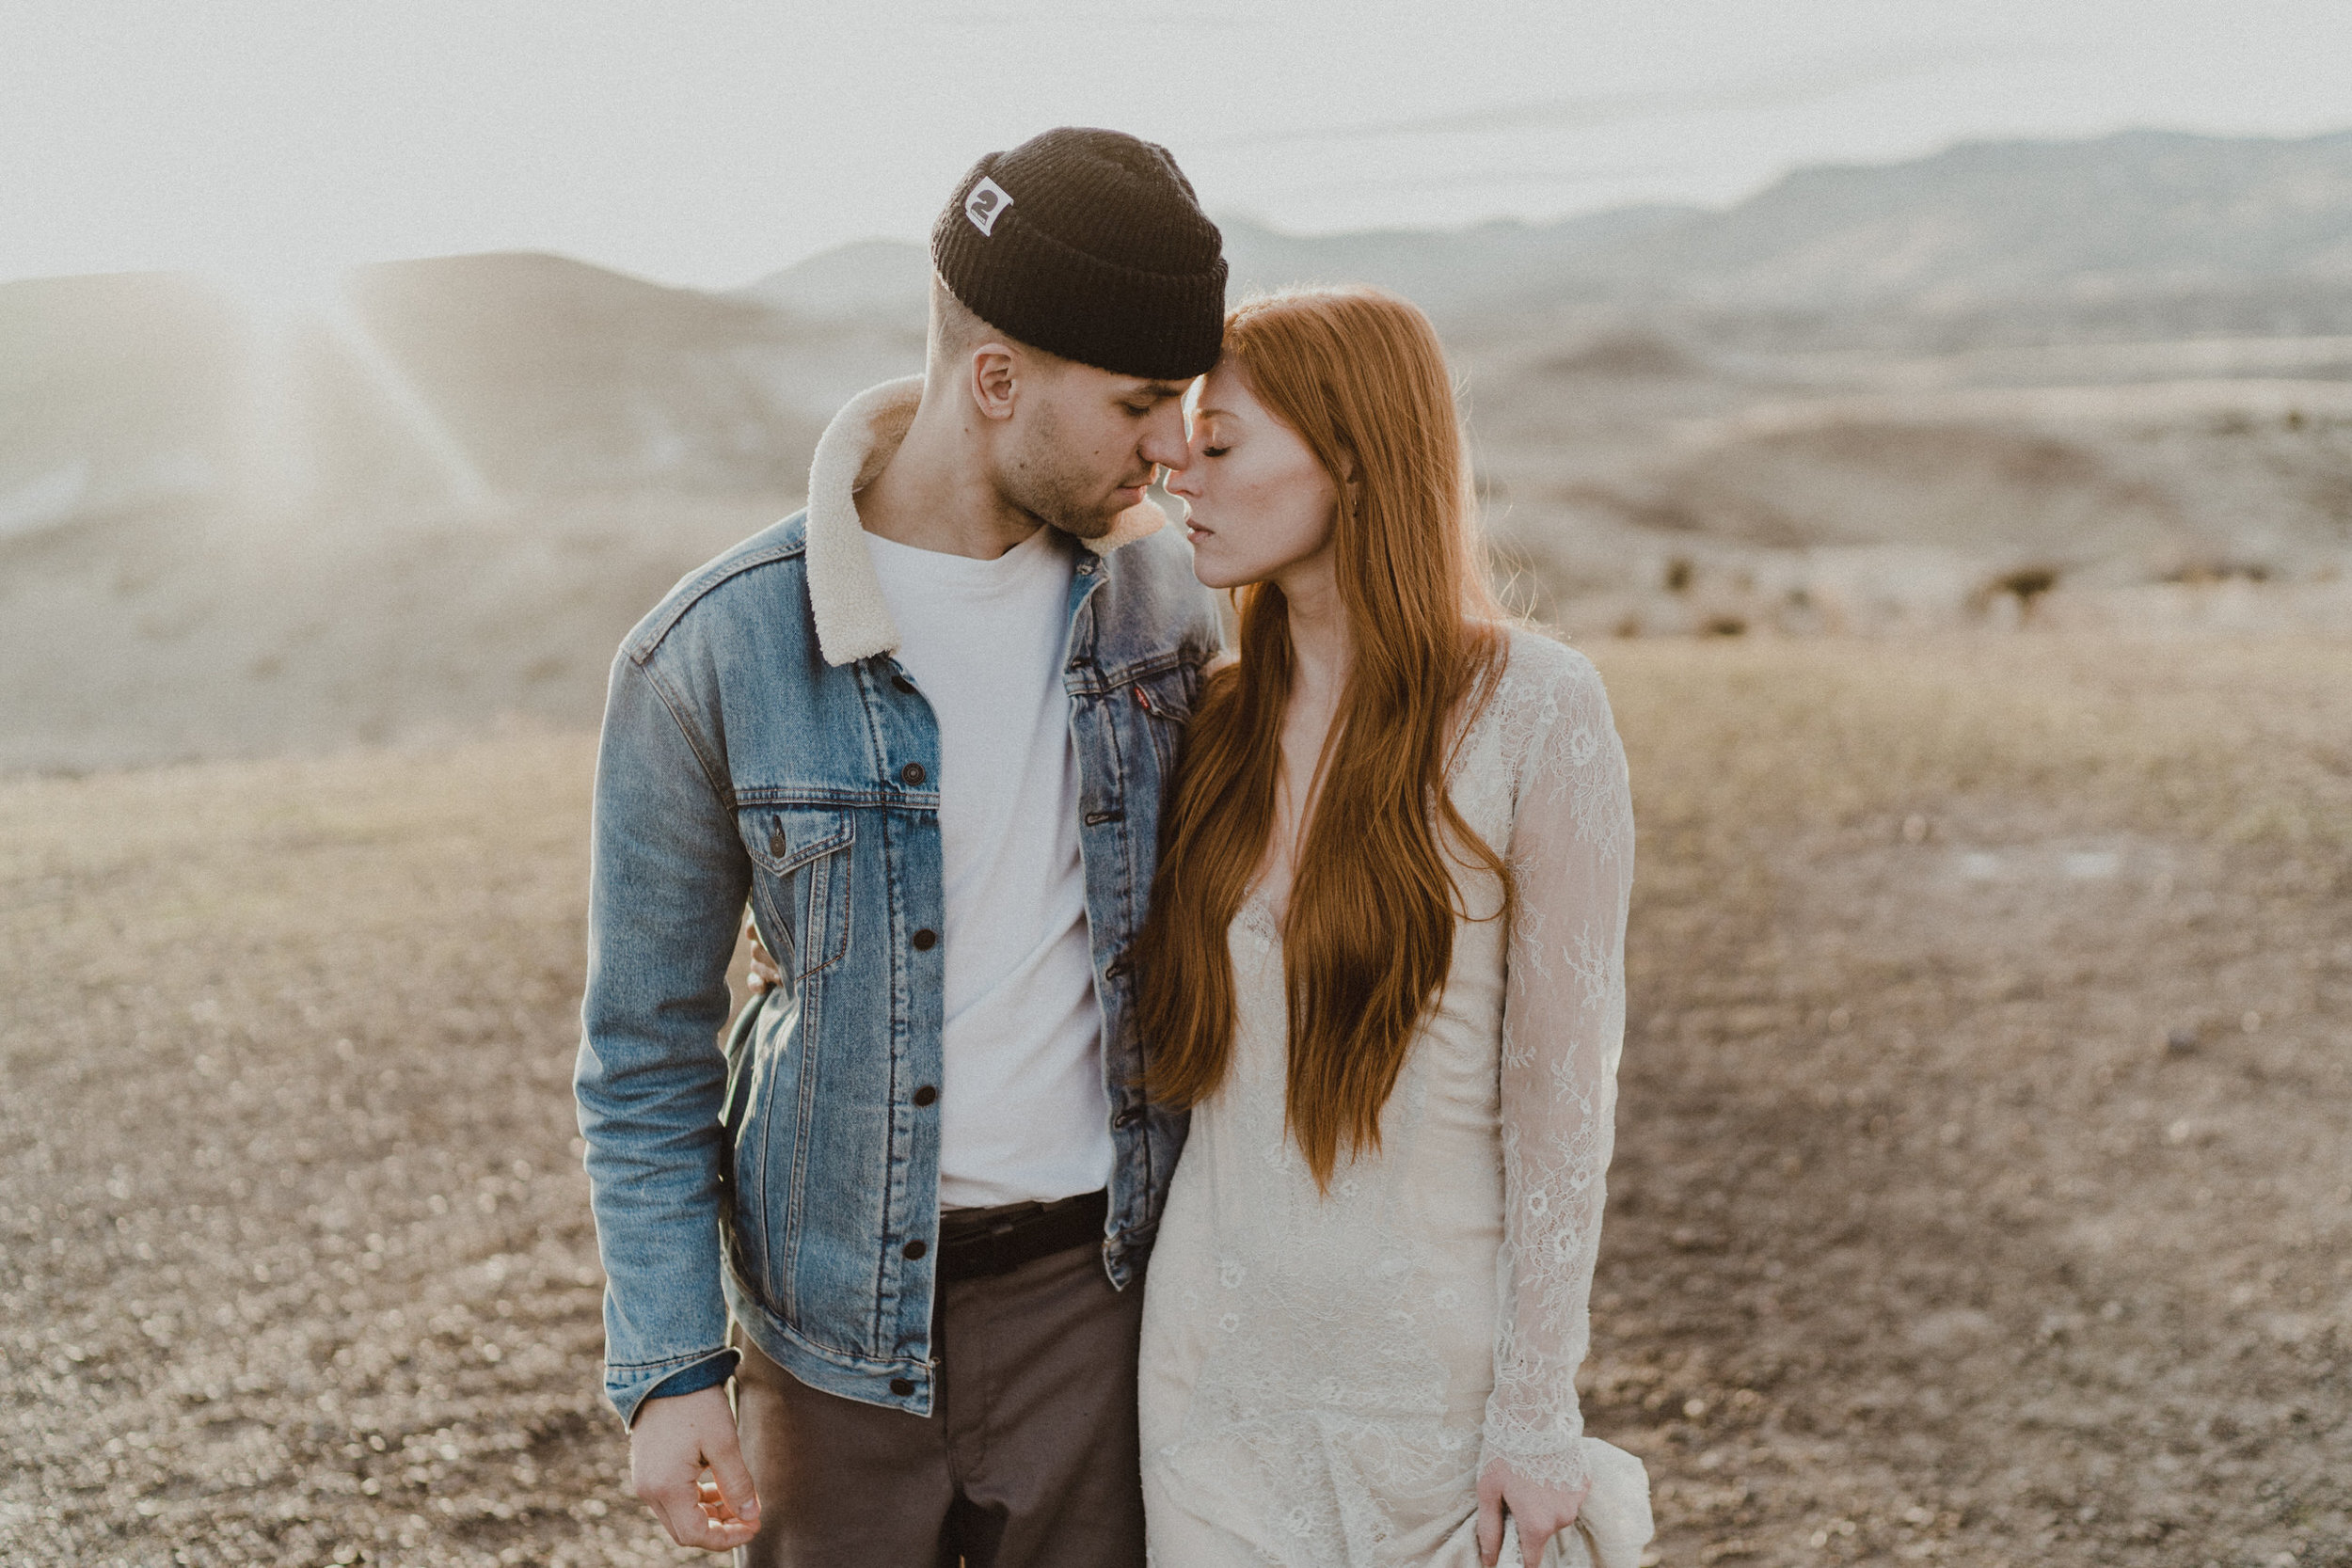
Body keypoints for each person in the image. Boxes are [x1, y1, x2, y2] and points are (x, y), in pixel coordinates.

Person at [573, 127, 1226, 1565]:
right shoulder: (713, 654)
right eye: (1140, 402)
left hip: (1105, 1319)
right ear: (996, 381)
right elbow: (645, 1045)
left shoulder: (1167, 619)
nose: (1179, 446)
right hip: (830, 1343)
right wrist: (673, 1365)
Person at [1131, 287, 1652, 1567]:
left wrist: (1536, 1405)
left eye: (1221, 441)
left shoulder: (1538, 711)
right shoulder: (1203, 720)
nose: (1179, 476)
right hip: (1211, 1393)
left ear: (1349, 455)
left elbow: (1562, 1095)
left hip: (1438, 1401)